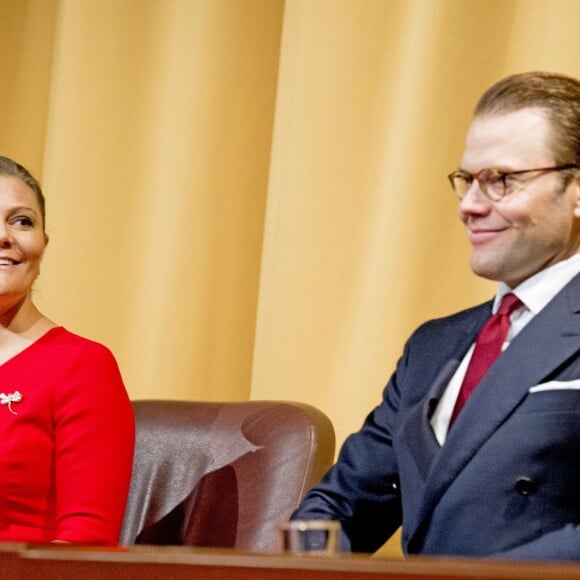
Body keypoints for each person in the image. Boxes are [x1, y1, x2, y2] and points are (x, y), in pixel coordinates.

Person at [291, 71, 580, 561]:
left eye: (501, 181)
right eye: (468, 180)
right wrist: (286, 564)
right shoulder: (432, 348)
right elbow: (343, 504)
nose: (469, 205)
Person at [0, 156, 135, 544]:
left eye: (22, 221)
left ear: (42, 245)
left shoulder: (82, 366)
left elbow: (85, 546)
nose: (5, 235)